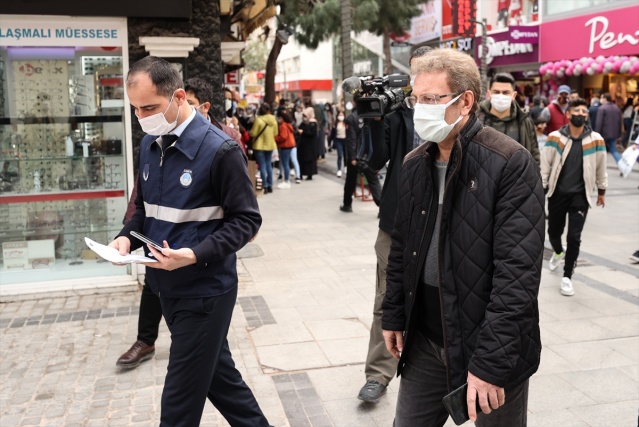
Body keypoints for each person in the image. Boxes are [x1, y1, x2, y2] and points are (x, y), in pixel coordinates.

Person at [382, 48, 544, 427]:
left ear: (465, 101)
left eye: (431, 99)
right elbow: (402, 248)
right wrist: (393, 315)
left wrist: (489, 364)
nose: (419, 108)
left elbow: (517, 277)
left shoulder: (509, 162)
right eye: (416, 99)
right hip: (425, 337)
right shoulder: (413, 163)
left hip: (489, 344)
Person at [110, 56, 270, 427]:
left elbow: (247, 220)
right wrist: (123, 238)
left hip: (206, 291)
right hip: (165, 286)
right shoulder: (150, 144)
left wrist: (194, 254)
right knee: (221, 380)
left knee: (179, 404)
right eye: (135, 109)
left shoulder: (221, 150)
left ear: (179, 96)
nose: (142, 117)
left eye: (149, 107)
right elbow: (143, 211)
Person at [356, 45, 431, 403]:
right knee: (387, 299)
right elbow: (373, 160)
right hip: (398, 224)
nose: (419, 81)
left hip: (445, 221)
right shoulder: (396, 114)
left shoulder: (459, 110)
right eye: (415, 73)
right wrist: (371, 120)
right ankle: (378, 374)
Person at [542, 98, 607, 297]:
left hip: (580, 196)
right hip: (558, 194)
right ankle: (558, 251)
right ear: (568, 114)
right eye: (577, 111)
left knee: (574, 237)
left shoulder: (596, 139)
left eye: (584, 111)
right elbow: (546, 165)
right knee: (554, 232)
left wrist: (602, 190)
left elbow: (601, 166)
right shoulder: (555, 137)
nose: (581, 114)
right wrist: (541, 188)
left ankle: (567, 276)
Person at [476, 72, 540, 165]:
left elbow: (534, 154)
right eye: (496, 92)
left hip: (516, 177)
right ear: (489, 94)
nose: (501, 96)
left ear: (513, 95)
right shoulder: (476, 119)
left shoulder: (524, 121)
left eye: (505, 92)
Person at [340, 95, 382, 213]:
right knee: (373, 181)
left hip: (357, 155)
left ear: (354, 102)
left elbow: (351, 139)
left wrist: (352, 157)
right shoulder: (371, 116)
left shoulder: (351, 118)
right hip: (369, 154)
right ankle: (383, 208)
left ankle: (347, 205)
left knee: (351, 181)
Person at [250, 103, 279, 194]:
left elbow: (253, 133)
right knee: (269, 165)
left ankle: (264, 186)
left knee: (262, 166)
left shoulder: (258, 120)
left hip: (259, 146)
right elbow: (275, 133)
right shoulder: (274, 120)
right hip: (270, 145)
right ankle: (270, 185)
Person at [595, 93, 622, 164]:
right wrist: (619, 134)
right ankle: (621, 165)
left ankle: (600, 167)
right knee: (614, 150)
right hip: (614, 133)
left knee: (600, 151)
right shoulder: (617, 108)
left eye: (601, 97)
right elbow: (620, 122)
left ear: (605, 99)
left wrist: (596, 133)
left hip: (604, 134)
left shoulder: (602, 108)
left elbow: (599, 123)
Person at [274, 109, 296, 189]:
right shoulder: (288, 124)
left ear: (281, 117)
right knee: (286, 163)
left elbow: (283, 136)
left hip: (285, 145)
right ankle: (286, 180)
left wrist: (275, 138)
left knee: (285, 164)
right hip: (289, 145)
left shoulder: (283, 125)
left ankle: (286, 181)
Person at [297, 107, 319, 180]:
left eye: (305, 116)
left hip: (310, 145)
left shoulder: (313, 123)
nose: (304, 118)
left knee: (309, 160)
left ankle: (309, 174)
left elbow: (312, 133)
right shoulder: (303, 123)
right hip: (303, 145)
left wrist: (303, 132)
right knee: (302, 159)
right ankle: (301, 174)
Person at [333, 110, 346, 177]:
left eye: (342, 115)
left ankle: (345, 166)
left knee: (345, 155)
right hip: (338, 140)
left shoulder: (346, 123)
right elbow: (333, 133)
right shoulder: (336, 124)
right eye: (340, 115)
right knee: (339, 155)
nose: (341, 116)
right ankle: (339, 170)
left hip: (345, 140)